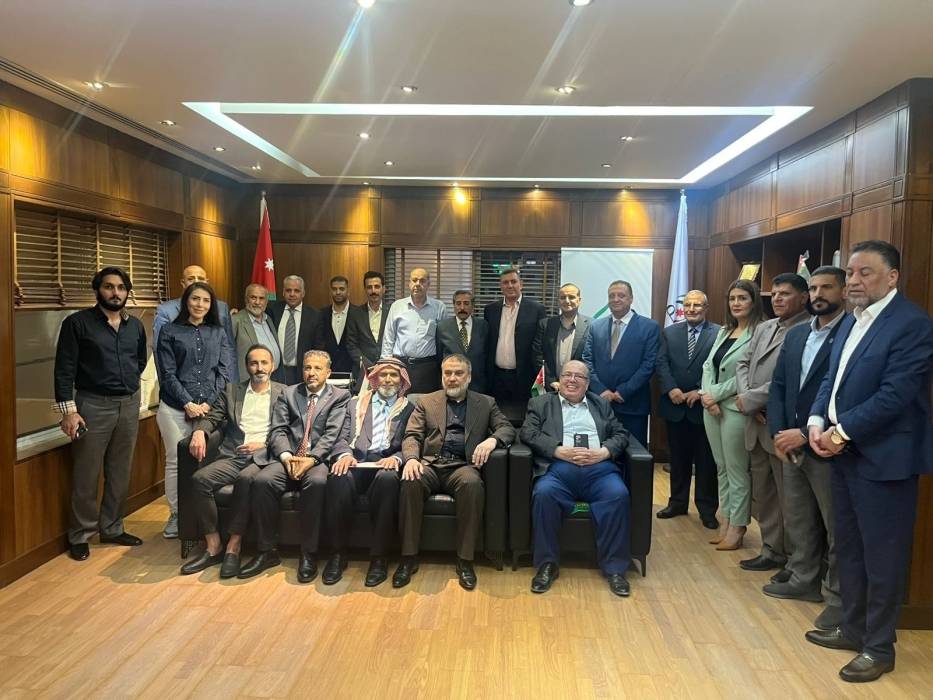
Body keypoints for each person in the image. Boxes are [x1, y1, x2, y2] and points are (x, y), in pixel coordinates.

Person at [805, 240, 933, 683]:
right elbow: (832, 378)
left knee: (883, 557)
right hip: (844, 457)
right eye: (851, 273)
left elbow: (896, 395)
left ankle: (879, 648)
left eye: (865, 273)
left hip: (885, 461)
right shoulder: (850, 320)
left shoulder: (911, 323)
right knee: (851, 550)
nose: (854, 281)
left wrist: (841, 432)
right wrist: (817, 421)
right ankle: (853, 628)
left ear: (892, 277)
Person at [765, 267, 846, 629]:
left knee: (835, 524)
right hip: (790, 443)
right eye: (813, 288)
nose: (818, 294)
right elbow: (779, 385)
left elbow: (842, 393)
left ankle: (836, 596)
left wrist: (803, 431)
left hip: (827, 445)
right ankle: (802, 578)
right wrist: (779, 434)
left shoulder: (850, 332)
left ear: (843, 292)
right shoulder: (798, 334)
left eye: (827, 287)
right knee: (798, 516)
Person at [395, 354, 515, 590]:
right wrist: (411, 460)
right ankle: (408, 557)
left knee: (472, 484)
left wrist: (491, 441)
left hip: (462, 466)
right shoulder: (426, 401)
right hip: (430, 464)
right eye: (447, 373)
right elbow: (412, 436)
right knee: (411, 480)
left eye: (458, 373)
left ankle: (465, 560)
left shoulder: (485, 403)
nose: (452, 378)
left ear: (468, 377)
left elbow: (507, 428)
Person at [54, 266, 148, 561]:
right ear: (98, 290)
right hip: (92, 405)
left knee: (120, 471)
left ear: (127, 292)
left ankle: (112, 528)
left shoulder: (135, 326)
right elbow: (64, 369)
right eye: (109, 286)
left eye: (121, 288)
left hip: (128, 404)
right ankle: (80, 535)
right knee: (87, 472)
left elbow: (140, 361)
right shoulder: (77, 323)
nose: (115, 293)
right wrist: (69, 412)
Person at [520, 360, 632, 597]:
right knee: (544, 494)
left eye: (578, 376)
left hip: (599, 469)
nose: (572, 380)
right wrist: (557, 450)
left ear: (587, 383)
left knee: (618, 494)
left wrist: (604, 452)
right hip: (559, 469)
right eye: (567, 375)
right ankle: (547, 564)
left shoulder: (600, 404)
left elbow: (621, 434)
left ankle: (615, 570)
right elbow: (528, 432)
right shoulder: (541, 403)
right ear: (559, 380)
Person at [239, 350, 350, 582]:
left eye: (317, 368)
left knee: (317, 482)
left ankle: (308, 553)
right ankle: (266, 551)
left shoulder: (340, 396)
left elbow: (332, 434)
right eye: (307, 367)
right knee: (263, 481)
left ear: (328, 372)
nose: (311, 373)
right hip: (289, 456)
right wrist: (287, 457)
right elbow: (278, 430)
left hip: (317, 459)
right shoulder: (288, 393)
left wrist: (311, 459)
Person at [180, 344, 286, 578]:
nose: (259, 368)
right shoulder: (231, 391)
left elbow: (289, 429)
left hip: (264, 456)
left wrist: (264, 444)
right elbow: (213, 417)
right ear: (247, 366)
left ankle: (233, 546)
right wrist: (199, 432)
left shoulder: (284, 393)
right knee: (199, 480)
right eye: (254, 363)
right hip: (234, 454)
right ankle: (213, 545)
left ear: (273, 366)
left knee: (245, 480)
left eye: (264, 363)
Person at [735, 273, 810, 574]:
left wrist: (751, 400)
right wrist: (747, 399)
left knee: (789, 497)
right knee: (764, 493)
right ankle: (771, 549)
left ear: (803, 297)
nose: (777, 298)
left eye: (785, 294)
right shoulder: (764, 327)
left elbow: (788, 378)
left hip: (780, 424)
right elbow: (743, 363)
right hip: (755, 421)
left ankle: (794, 559)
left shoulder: (808, 329)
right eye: (775, 293)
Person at [323, 357, 415, 587]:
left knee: (388, 480)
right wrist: (344, 455)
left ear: (401, 380)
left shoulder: (409, 408)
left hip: (386, 463)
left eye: (393, 375)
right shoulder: (354, 404)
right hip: (357, 461)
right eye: (383, 374)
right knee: (338, 476)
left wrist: (396, 458)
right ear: (374, 378)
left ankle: (379, 558)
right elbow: (341, 437)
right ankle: (337, 554)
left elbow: (412, 441)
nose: (388, 379)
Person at [156, 281, 233, 540]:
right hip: (175, 408)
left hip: (209, 409)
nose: (200, 304)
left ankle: (203, 519)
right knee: (176, 462)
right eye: (195, 299)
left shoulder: (218, 332)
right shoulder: (169, 330)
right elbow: (167, 373)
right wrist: (187, 403)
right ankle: (177, 516)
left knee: (206, 461)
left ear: (211, 305)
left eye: (206, 300)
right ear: (186, 301)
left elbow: (223, 373)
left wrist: (208, 404)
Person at [700, 279, 764, 550]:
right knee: (721, 467)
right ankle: (725, 520)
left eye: (742, 298)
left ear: (754, 301)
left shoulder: (761, 331)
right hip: (712, 408)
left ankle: (738, 526)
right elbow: (708, 366)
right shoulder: (724, 331)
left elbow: (749, 374)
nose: (736, 303)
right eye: (732, 298)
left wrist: (715, 394)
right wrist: (707, 396)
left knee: (737, 470)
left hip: (735, 408)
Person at [655, 290, 720, 528]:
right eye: (688, 305)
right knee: (678, 460)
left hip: (703, 407)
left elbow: (719, 366)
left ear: (706, 308)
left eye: (697, 305)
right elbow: (661, 363)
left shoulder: (719, 333)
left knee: (706, 463)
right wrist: (671, 388)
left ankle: (707, 509)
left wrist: (700, 390)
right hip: (675, 406)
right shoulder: (670, 332)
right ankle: (677, 503)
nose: (692, 309)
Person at [582, 280, 660, 448]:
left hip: (632, 405)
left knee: (634, 455)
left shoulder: (649, 327)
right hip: (600, 404)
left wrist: (623, 391)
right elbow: (587, 360)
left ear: (631, 299)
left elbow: (649, 364)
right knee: (600, 452)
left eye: (621, 295)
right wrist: (601, 390)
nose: (616, 299)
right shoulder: (596, 326)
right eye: (612, 296)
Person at [483, 267, 546, 408]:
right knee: (497, 415)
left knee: (524, 416)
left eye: (513, 281)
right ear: (501, 286)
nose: (510, 285)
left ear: (521, 284)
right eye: (505, 282)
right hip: (496, 378)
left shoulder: (537, 310)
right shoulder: (490, 310)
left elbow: (541, 345)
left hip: (524, 377)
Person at [381, 267, 448, 393]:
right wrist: (386, 367)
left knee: (427, 403)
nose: (417, 284)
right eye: (414, 280)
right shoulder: (397, 306)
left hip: (428, 368)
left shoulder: (439, 307)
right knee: (400, 402)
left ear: (428, 284)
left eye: (422, 281)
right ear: (409, 283)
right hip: (400, 366)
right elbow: (388, 338)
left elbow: (445, 340)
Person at [153, 264, 234, 367]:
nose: (196, 282)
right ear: (183, 283)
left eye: (201, 279)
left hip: (216, 374)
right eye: (191, 279)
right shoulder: (165, 310)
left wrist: (230, 377)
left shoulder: (222, 308)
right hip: (179, 374)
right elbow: (159, 351)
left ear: (206, 282)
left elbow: (229, 347)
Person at [533, 283, 592, 392]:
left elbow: (592, 360)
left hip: (579, 389)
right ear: (558, 301)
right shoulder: (545, 325)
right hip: (551, 388)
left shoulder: (592, 325)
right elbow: (537, 355)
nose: (567, 301)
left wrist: (573, 381)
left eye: (571, 297)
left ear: (579, 300)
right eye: (563, 297)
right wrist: (550, 381)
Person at [267, 275, 323, 385]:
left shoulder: (315, 315)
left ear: (303, 293)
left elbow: (318, 347)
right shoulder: (272, 310)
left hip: (302, 373)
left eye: (296, 291)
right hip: (275, 371)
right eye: (288, 290)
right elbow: (255, 312)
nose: (292, 294)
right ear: (283, 292)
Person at [436, 290, 489, 394]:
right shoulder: (442, 327)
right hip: (452, 383)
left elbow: (488, 355)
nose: (462, 308)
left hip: (478, 385)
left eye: (466, 303)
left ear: (472, 306)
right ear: (454, 306)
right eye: (458, 303)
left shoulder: (483, 326)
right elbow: (439, 358)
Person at [345, 271, 389, 388]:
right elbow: (351, 345)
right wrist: (368, 365)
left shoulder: (392, 311)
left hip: (387, 371)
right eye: (369, 287)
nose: (373, 291)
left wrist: (385, 364)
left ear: (384, 289)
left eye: (377, 287)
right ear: (365, 289)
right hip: (362, 373)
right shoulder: (355, 313)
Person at [231, 284, 281, 382]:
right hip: (248, 381)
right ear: (246, 299)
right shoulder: (236, 320)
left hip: (272, 379)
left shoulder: (268, 319)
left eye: (261, 298)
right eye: (253, 297)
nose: (257, 302)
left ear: (266, 301)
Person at [317, 275, 353, 375]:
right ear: (330, 292)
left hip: (352, 371)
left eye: (342, 289)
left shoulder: (358, 314)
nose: (338, 292)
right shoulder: (321, 314)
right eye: (334, 289)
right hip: (326, 371)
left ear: (348, 291)